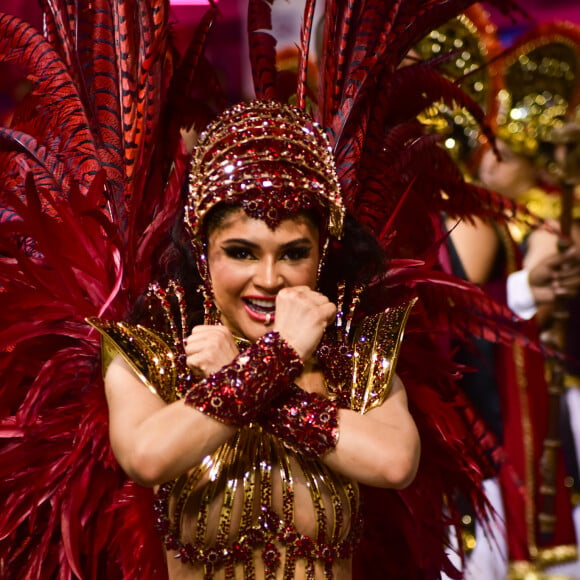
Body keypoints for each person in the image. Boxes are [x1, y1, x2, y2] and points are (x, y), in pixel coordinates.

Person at [89, 100, 421, 579]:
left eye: (293, 253)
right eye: (241, 252)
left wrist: (255, 373)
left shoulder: (355, 359)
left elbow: (394, 463)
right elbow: (147, 456)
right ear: (202, 253)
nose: (269, 279)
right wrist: (279, 357)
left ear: (321, 255)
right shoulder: (151, 353)